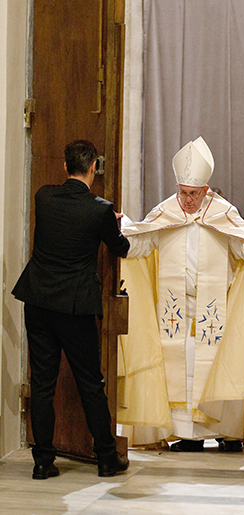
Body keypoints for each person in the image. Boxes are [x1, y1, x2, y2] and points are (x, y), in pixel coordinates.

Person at [117, 137, 244, 452]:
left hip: (214, 310)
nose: (187, 201)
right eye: (183, 193)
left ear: (205, 190)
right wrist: (121, 234)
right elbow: (144, 243)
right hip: (176, 310)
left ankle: (226, 431)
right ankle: (188, 435)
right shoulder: (167, 211)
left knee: (217, 364)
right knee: (180, 367)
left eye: (193, 195)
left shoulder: (221, 211)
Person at [12, 140, 131, 479]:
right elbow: (120, 248)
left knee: (42, 383)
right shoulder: (100, 209)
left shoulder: (44, 197)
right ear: (94, 166)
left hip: (38, 300)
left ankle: (42, 461)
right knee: (91, 382)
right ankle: (107, 458)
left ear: (65, 167)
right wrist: (113, 221)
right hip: (75, 306)